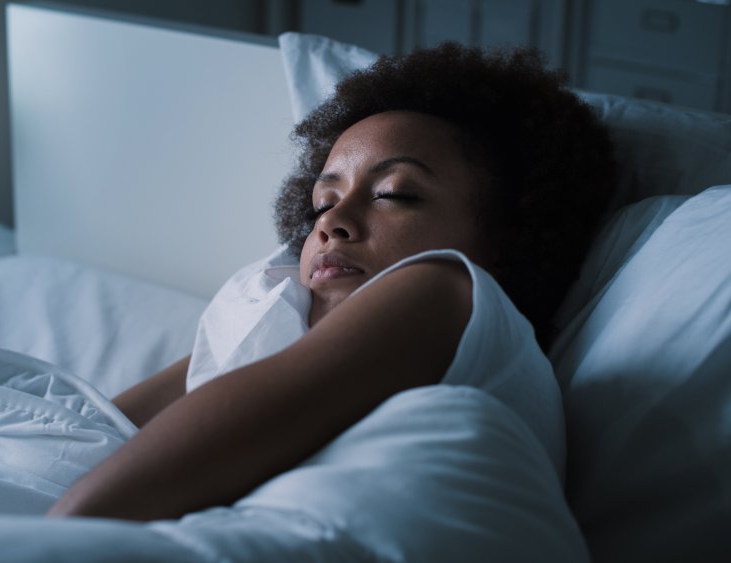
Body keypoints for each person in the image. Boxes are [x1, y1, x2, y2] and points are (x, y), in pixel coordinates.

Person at [48, 42, 617, 520]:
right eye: (323, 201)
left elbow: (84, 514)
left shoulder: (445, 293)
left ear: (508, 234)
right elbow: (80, 435)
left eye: (395, 193)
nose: (331, 225)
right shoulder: (277, 312)